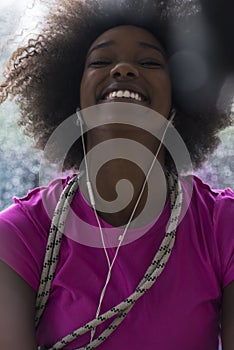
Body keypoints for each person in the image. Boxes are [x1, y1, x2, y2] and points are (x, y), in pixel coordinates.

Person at [0, 0, 233, 349]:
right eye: (101, 61)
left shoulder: (221, 226)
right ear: (75, 103)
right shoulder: (21, 233)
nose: (123, 69)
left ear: (177, 104)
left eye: (150, 62)